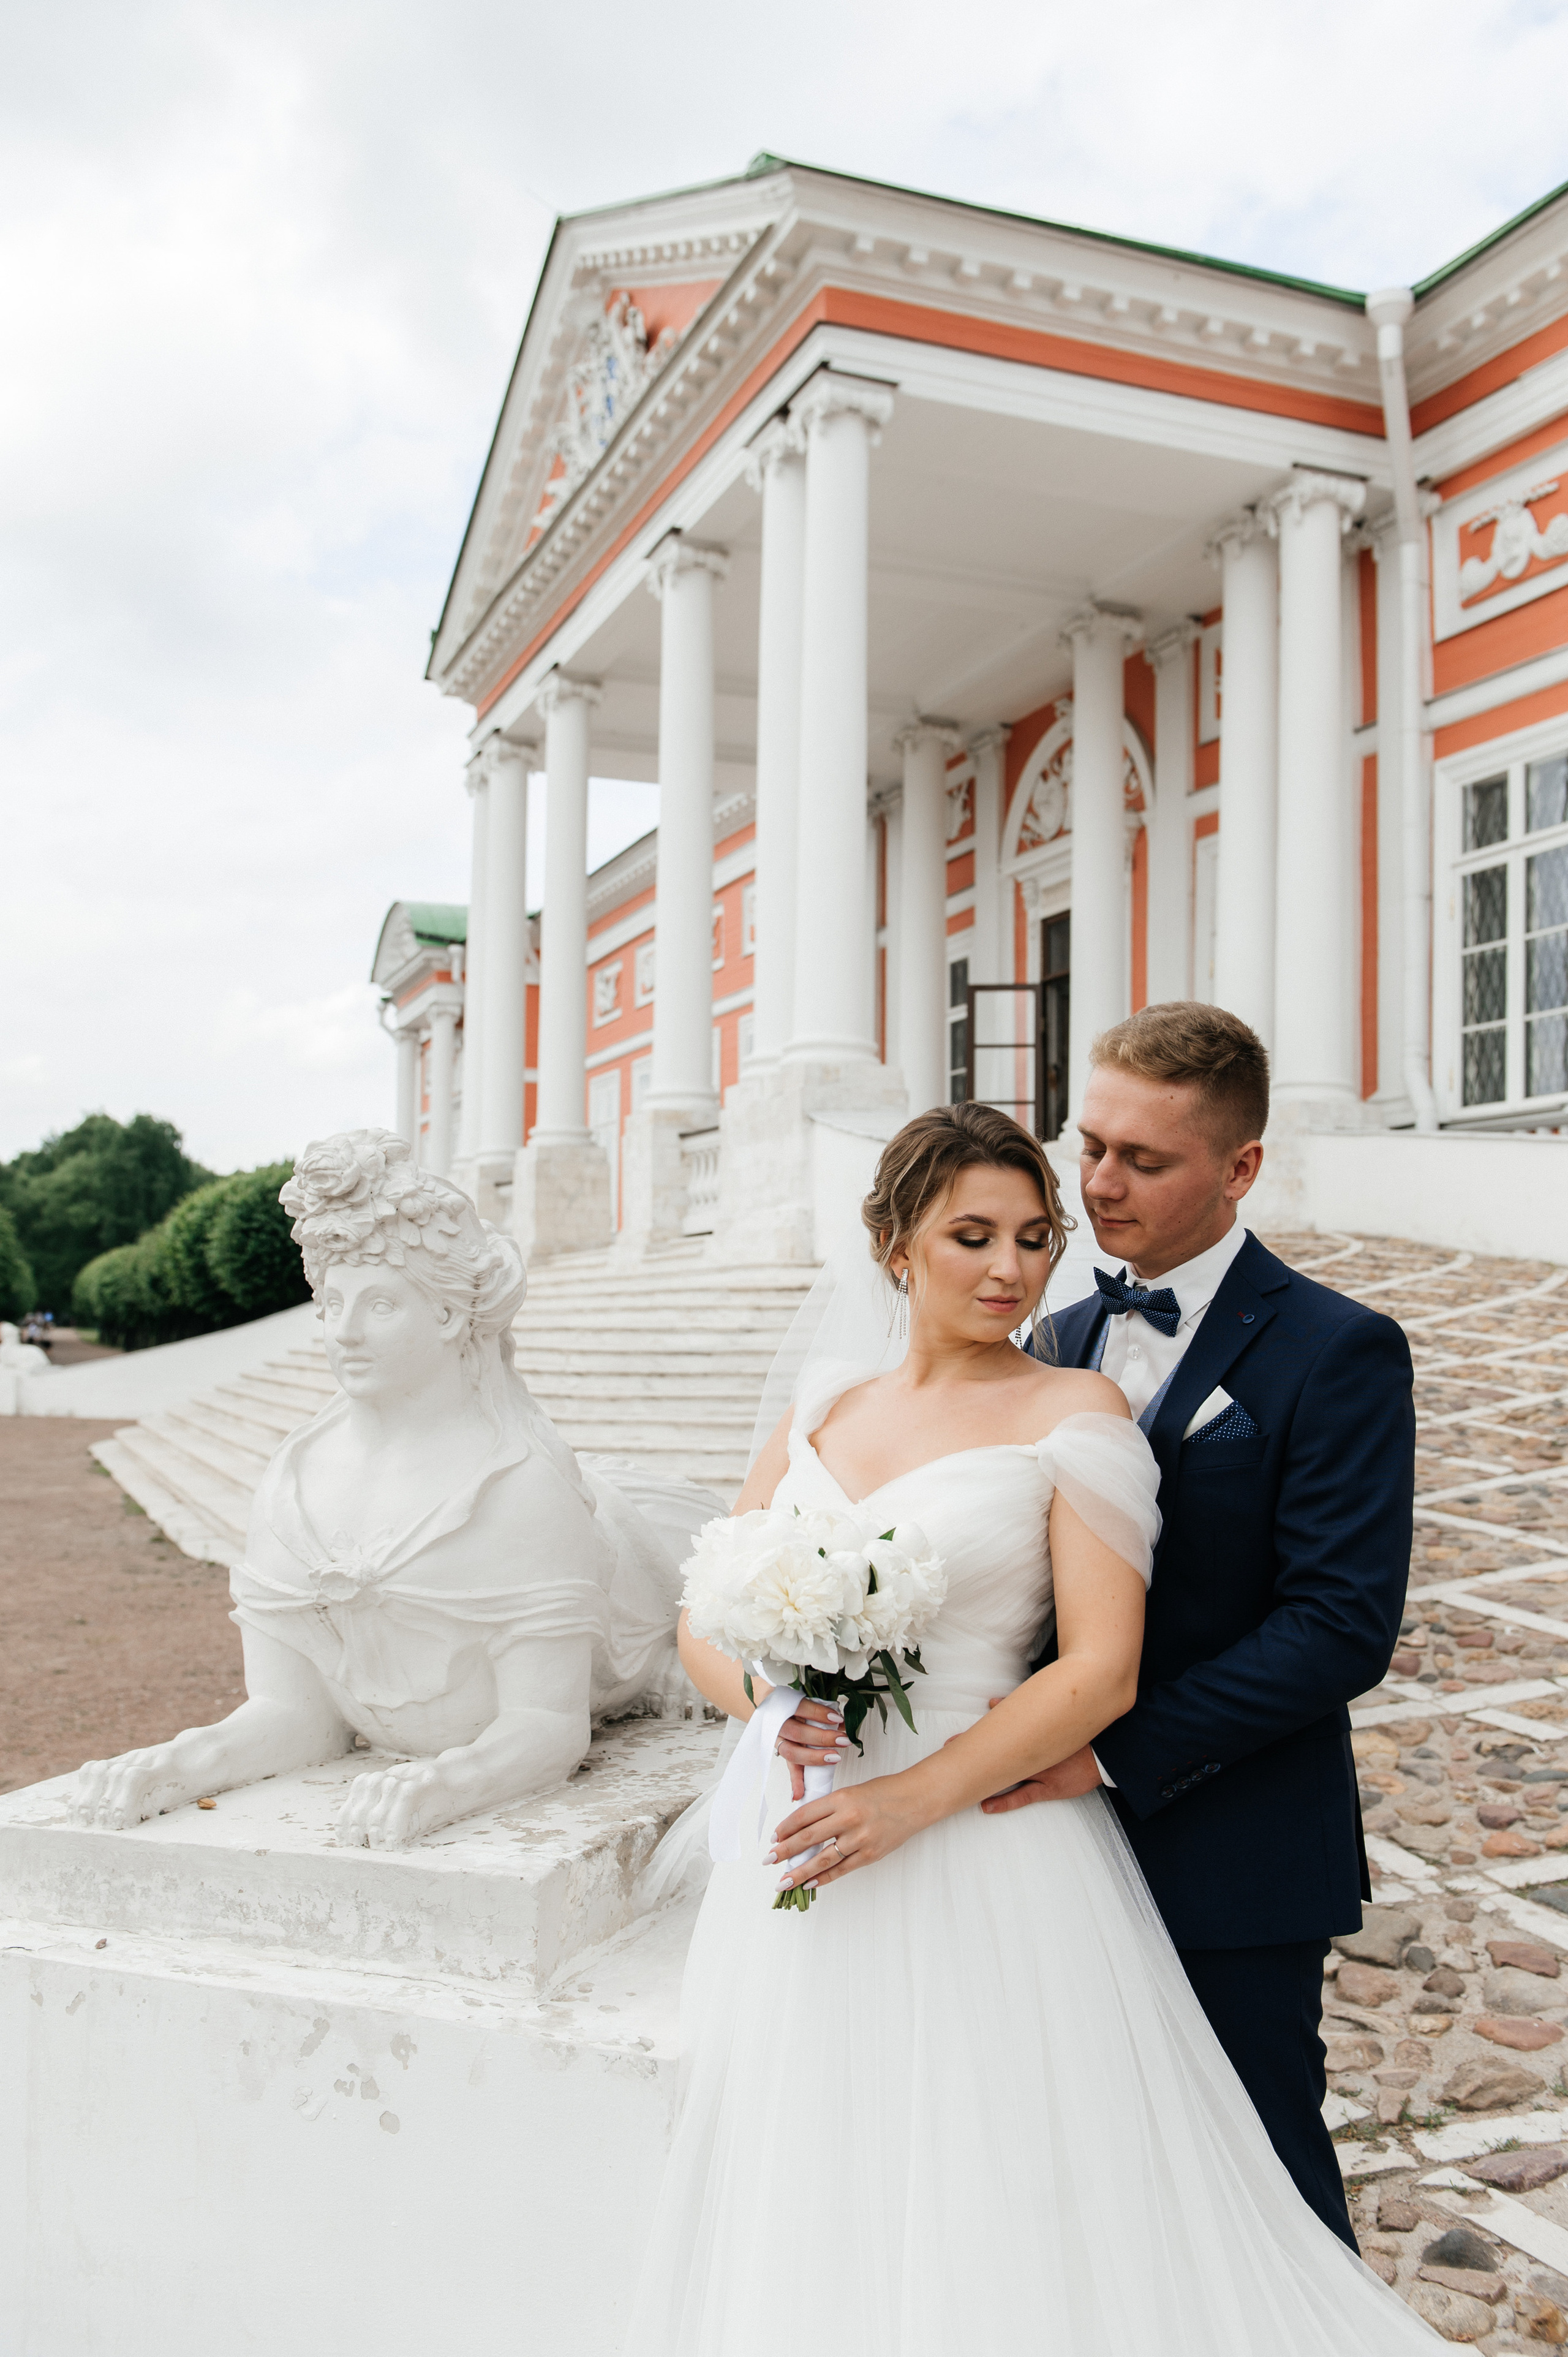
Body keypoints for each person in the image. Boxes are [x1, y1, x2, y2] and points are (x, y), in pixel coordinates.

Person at [628, 1100, 1436, 2356]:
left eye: (1030, 1236)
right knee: (816, 2154)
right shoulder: (824, 1404)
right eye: (970, 1235)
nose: (1009, 1267)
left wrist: (913, 1796)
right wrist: (771, 1705)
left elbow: (1102, 1670)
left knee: (994, 2164)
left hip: (983, 1839)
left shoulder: (1075, 1408)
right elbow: (703, 1611)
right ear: (894, 1243)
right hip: (806, 1842)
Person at [987, 1002, 1412, 2247]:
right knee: (1088, 2180)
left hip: (1231, 1850)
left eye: (1143, 1159)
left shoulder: (1337, 1349)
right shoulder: (1053, 1336)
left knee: (1260, 2188)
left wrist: (1108, 1750)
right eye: (1089, 1144)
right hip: (1042, 1854)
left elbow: (1339, 1625)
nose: (1097, 1184)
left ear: (1238, 1169)